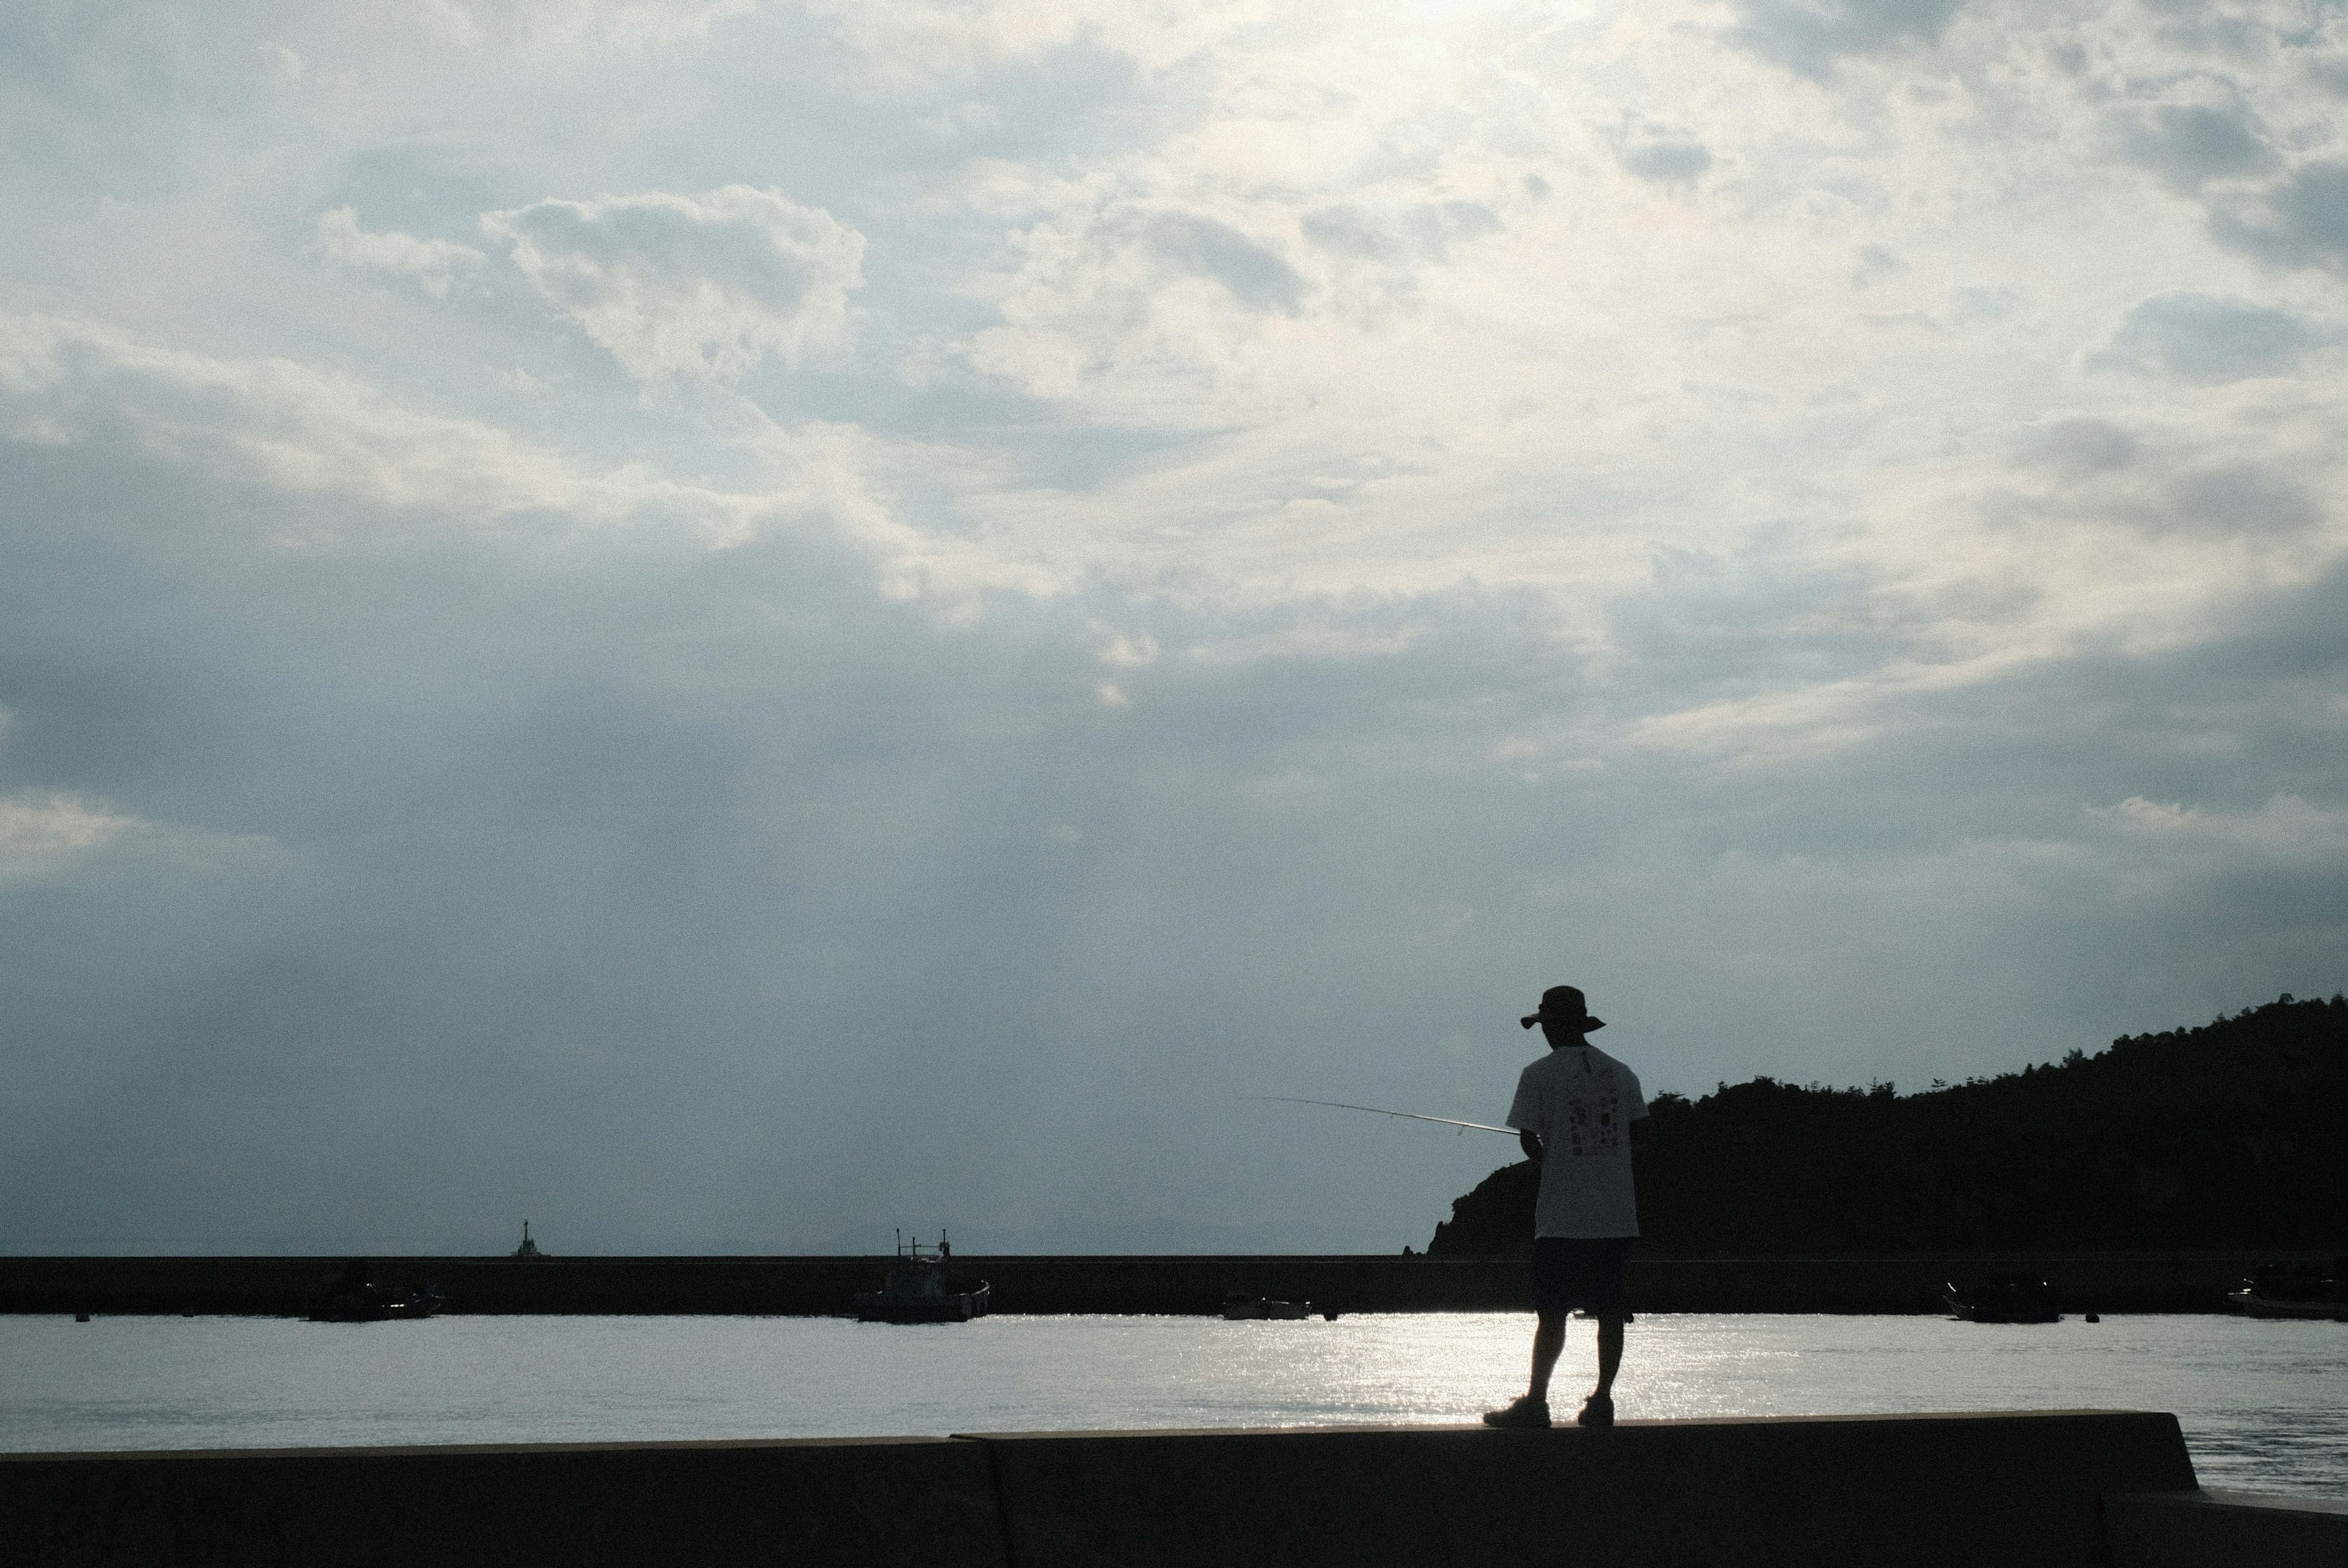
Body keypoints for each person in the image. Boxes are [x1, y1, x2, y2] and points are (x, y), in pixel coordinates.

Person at [1483, 985, 1650, 1430]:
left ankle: (1537, 1403)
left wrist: (1555, 1157)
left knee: (1551, 1312)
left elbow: (1528, 1139)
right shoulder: (1622, 1073)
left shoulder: (1537, 1074)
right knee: (1611, 1311)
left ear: (1552, 1026)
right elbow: (1641, 1132)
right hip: (1616, 1217)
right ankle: (1603, 1401)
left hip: (1561, 1217)